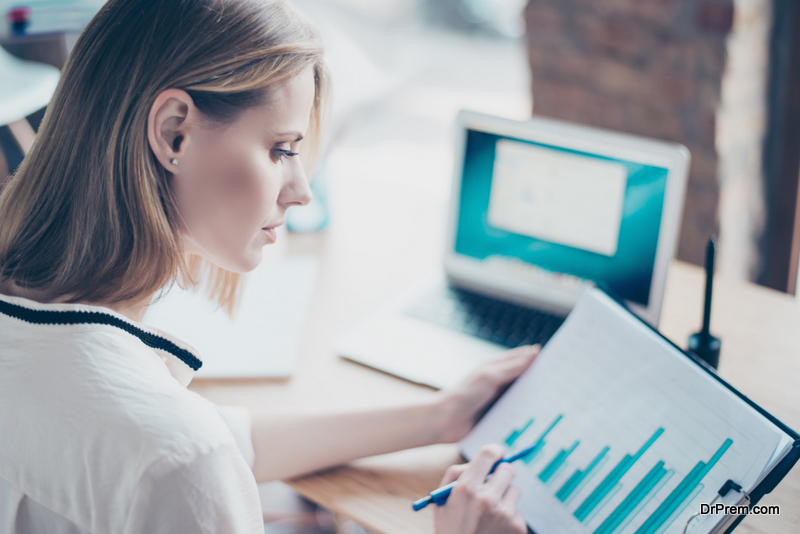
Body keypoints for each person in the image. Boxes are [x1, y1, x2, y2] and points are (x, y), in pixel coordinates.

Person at [0, 1, 536, 532]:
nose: (301, 192)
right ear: (172, 133)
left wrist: (436, 418)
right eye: (282, 149)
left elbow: (211, 443)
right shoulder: (174, 454)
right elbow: (184, 457)